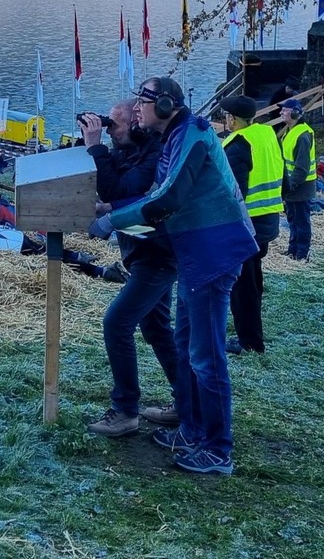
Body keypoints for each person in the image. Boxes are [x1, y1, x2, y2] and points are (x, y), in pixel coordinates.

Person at [88, 76, 256, 475]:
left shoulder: (192, 134)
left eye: (143, 102)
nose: (136, 109)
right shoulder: (174, 137)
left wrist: (112, 220)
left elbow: (168, 197)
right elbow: (155, 192)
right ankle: (192, 430)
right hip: (194, 252)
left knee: (206, 356)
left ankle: (217, 449)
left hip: (214, 251)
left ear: (165, 105)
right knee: (185, 344)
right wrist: (113, 209)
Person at [81, 100, 182, 438]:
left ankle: (125, 411)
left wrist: (95, 147)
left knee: (117, 323)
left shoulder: (155, 154)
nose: (110, 131)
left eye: (115, 125)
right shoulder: (126, 151)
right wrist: (96, 147)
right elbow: (111, 190)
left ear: (136, 125)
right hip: (143, 253)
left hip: (158, 254)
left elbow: (119, 190)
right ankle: (187, 401)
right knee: (156, 328)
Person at [218, 96, 283, 354]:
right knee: (253, 278)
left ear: (233, 119)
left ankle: (250, 341)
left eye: (226, 116)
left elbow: (234, 193)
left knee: (243, 285)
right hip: (268, 219)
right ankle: (252, 333)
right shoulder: (266, 135)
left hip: (247, 225)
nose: (225, 120)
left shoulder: (237, 145)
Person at [279, 99, 318, 261]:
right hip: (292, 185)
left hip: (300, 186)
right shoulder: (290, 131)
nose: (281, 113)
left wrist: (289, 186)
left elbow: (302, 168)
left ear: (295, 113)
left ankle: (302, 253)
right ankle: (292, 249)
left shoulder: (302, 135)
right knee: (292, 219)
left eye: (285, 110)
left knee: (301, 221)